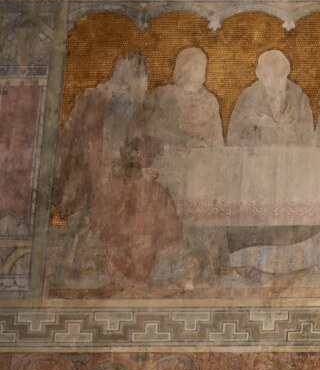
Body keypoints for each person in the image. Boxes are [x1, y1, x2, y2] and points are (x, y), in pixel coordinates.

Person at [54, 52, 183, 287]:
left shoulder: (106, 96)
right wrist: (137, 173)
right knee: (155, 195)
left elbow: (129, 143)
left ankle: (149, 265)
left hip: (93, 175)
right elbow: (107, 156)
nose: (146, 83)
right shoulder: (117, 102)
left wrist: (156, 147)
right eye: (145, 76)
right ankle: (137, 267)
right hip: (96, 181)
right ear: (135, 77)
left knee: (154, 191)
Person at [227, 50, 315, 147]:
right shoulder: (248, 98)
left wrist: (284, 130)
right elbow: (234, 141)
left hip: (290, 158)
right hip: (257, 159)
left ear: (287, 73)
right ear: (260, 76)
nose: (276, 82)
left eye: (280, 76)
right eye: (269, 76)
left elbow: (308, 142)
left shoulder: (300, 99)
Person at [145, 47, 223, 148]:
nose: (202, 69)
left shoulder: (210, 100)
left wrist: (205, 144)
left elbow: (217, 139)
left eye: (203, 65)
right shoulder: (165, 94)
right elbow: (150, 128)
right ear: (184, 66)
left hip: (202, 155)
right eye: (197, 65)